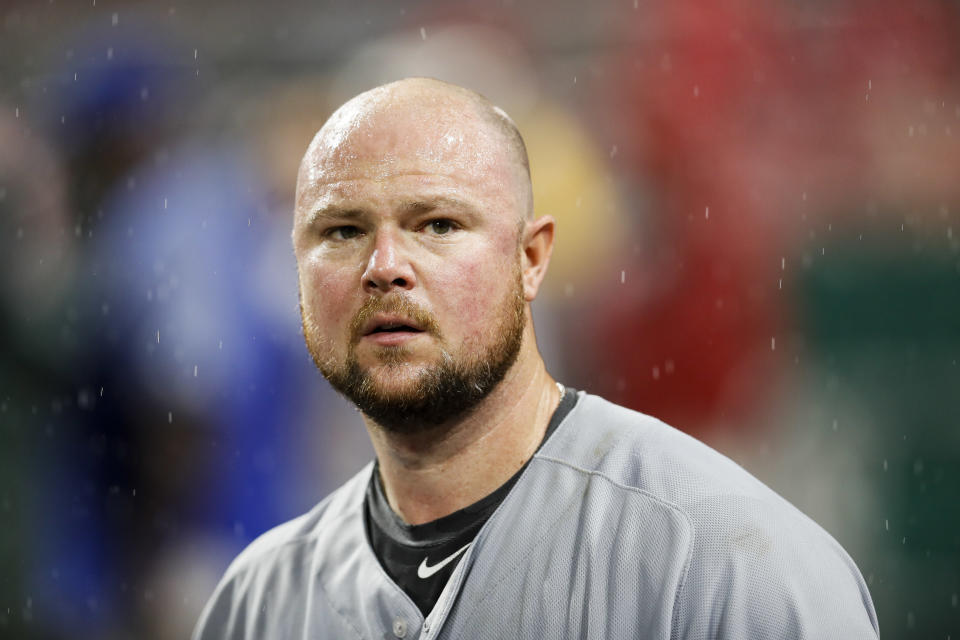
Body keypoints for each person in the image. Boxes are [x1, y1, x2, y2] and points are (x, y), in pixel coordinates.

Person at [193, 77, 879, 639]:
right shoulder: (255, 605)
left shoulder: (727, 564)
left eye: (438, 225)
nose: (385, 266)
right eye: (342, 231)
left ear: (530, 260)